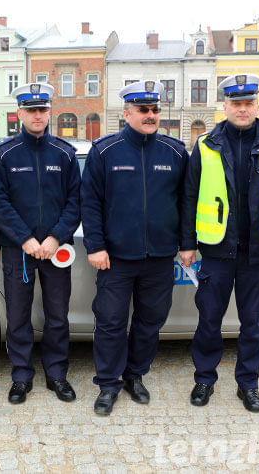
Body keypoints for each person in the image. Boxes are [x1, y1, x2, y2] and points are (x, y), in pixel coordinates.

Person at [180, 74, 259, 412]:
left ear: (257, 105)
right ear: (225, 106)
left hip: (257, 252)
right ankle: (204, 380)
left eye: (248, 103)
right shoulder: (205, 144)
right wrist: (187, 243)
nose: (242, 109)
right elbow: (189, 196)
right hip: (217, 250)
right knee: (209, 321)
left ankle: (248, 384)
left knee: (252, 324)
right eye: (236, 103)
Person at [81, 80, 189, 415]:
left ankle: (135, 375)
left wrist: (186, 244)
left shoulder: (174, 151)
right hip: (115, 258)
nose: (151, 115)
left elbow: (186, 202)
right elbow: (90, 202)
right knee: (111, 321)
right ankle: (109, 383)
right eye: (143, 110)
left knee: (150, 321)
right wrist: (95, 246)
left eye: (155, 109)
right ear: (126, 113)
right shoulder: (105, 151)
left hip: (159, 256)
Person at [0, 83, 81, 405]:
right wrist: (25, 239)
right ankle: (21, 376)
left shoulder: (65, 153)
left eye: (42, 109)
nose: (37, 115)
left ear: (49, 111)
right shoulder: (5, 154)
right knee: (17, 315)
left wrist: (55, 237)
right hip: (20, 250)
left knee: (57, 316)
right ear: (20, 113)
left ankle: (57, 374)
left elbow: (75, 202)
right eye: (31, 110)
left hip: (56, 250)